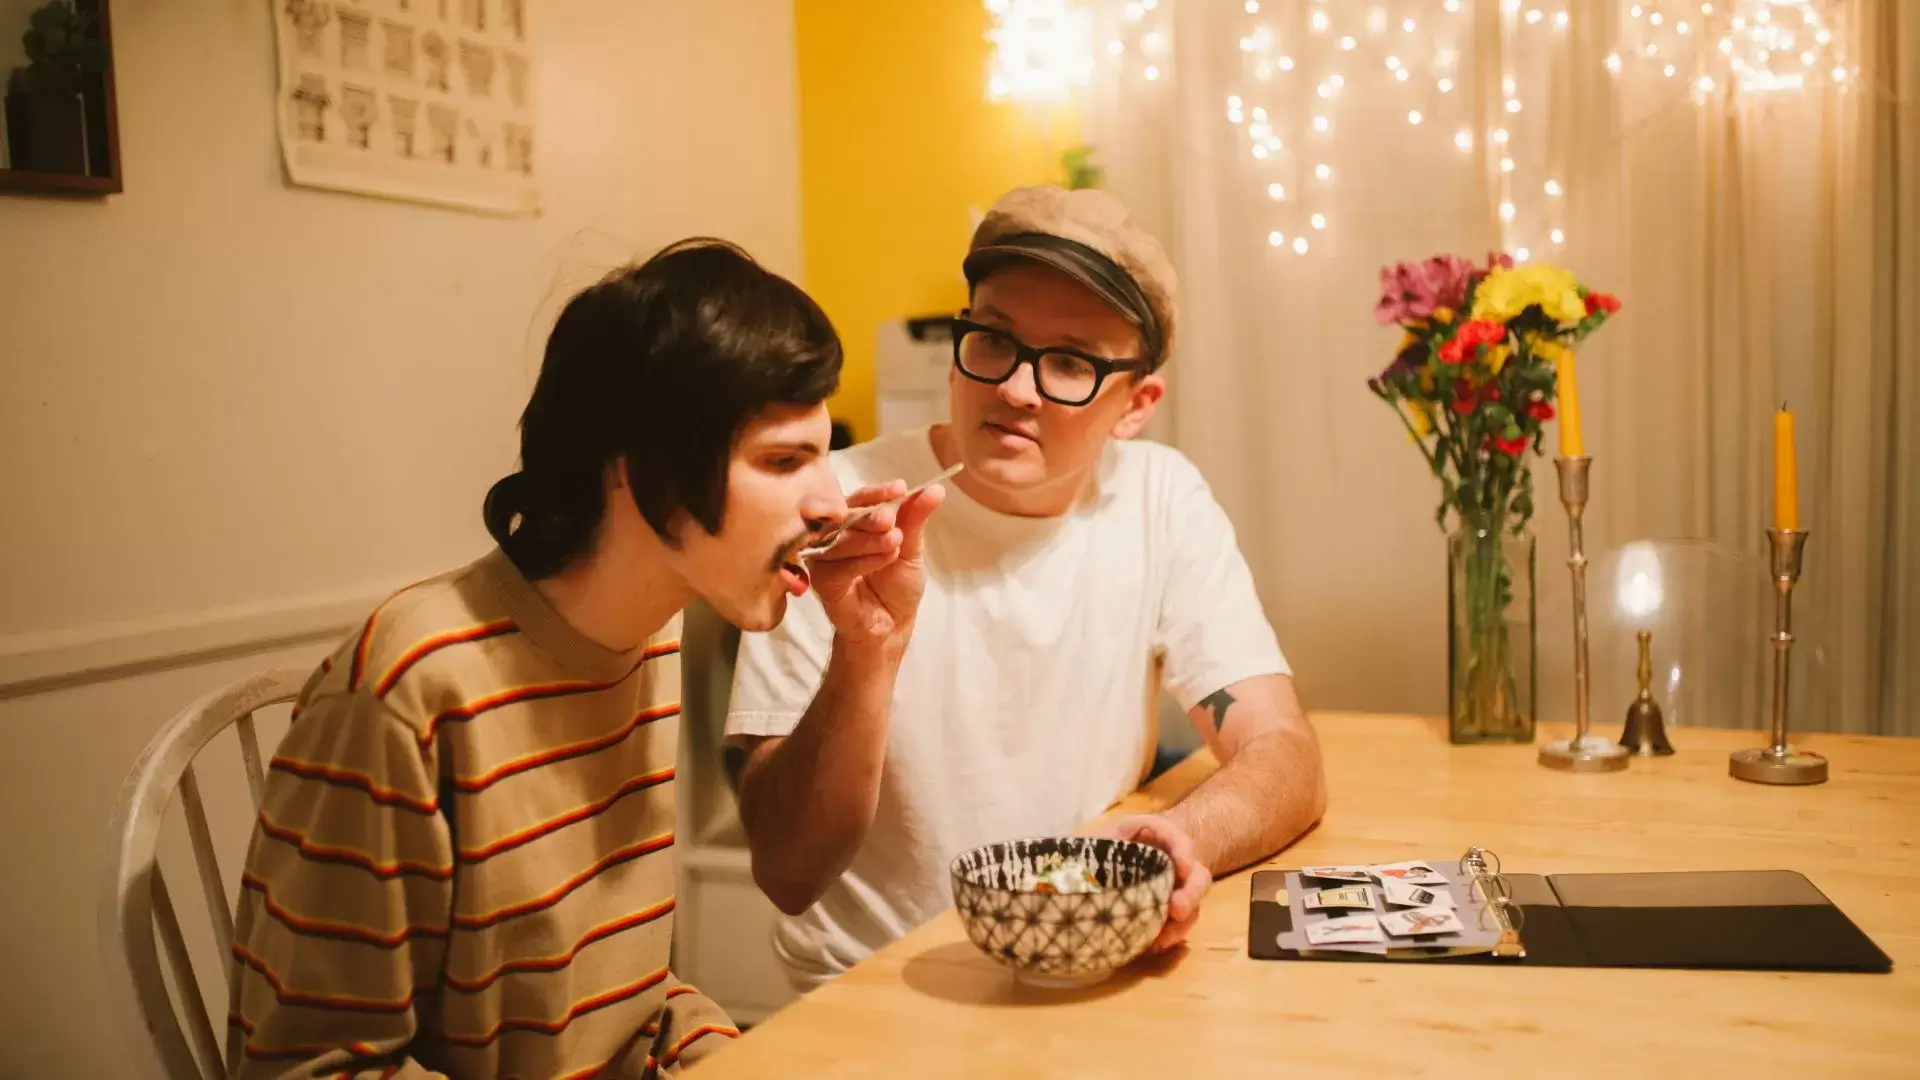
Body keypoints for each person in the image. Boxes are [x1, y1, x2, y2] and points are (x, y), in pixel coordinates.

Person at [224, 239, 945, 1079]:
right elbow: (307, 1068)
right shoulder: (411, 688)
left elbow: (625, 1006)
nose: (829, 501)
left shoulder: (649, 638)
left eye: (821, 455)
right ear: (637, 469)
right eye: (784, 461)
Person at [723, 186, 1330, 992]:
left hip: (1084, 966)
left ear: (1137, 404)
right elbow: (788, 871)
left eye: (1072, 361)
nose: (1014, 389)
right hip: (869, 990)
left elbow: (1285, 753)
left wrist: (1184, 838)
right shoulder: (836, 505)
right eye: (994, 340)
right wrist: (865, 650)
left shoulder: (1158, 499)